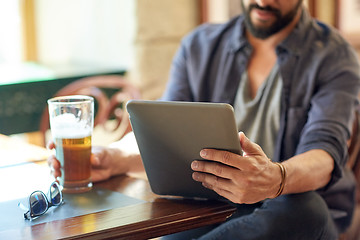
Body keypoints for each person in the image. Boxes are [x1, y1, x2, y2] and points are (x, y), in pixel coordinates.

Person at [48, 0, 360, 239]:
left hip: (292, 212)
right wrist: (114, 157)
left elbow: (326, 154)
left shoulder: (333, 55)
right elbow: (163, 135)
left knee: (306, 208)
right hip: (213, 207)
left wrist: (275, 180)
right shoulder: (200, 46)